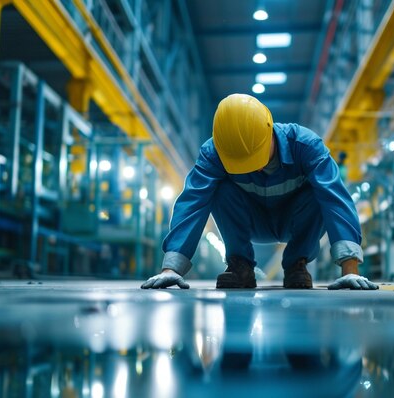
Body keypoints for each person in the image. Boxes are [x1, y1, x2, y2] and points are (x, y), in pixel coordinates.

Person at [142, 94, 378, 290]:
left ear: (269, 129)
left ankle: (297, 264)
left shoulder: (306, 146)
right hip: (249, 222)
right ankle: (240, 265)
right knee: (218, 189)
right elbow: (192, 202)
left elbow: (335, 198)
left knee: (320, 192)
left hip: (294, 221)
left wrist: (350, 268)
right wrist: (171, 267)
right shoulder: (213, 153)